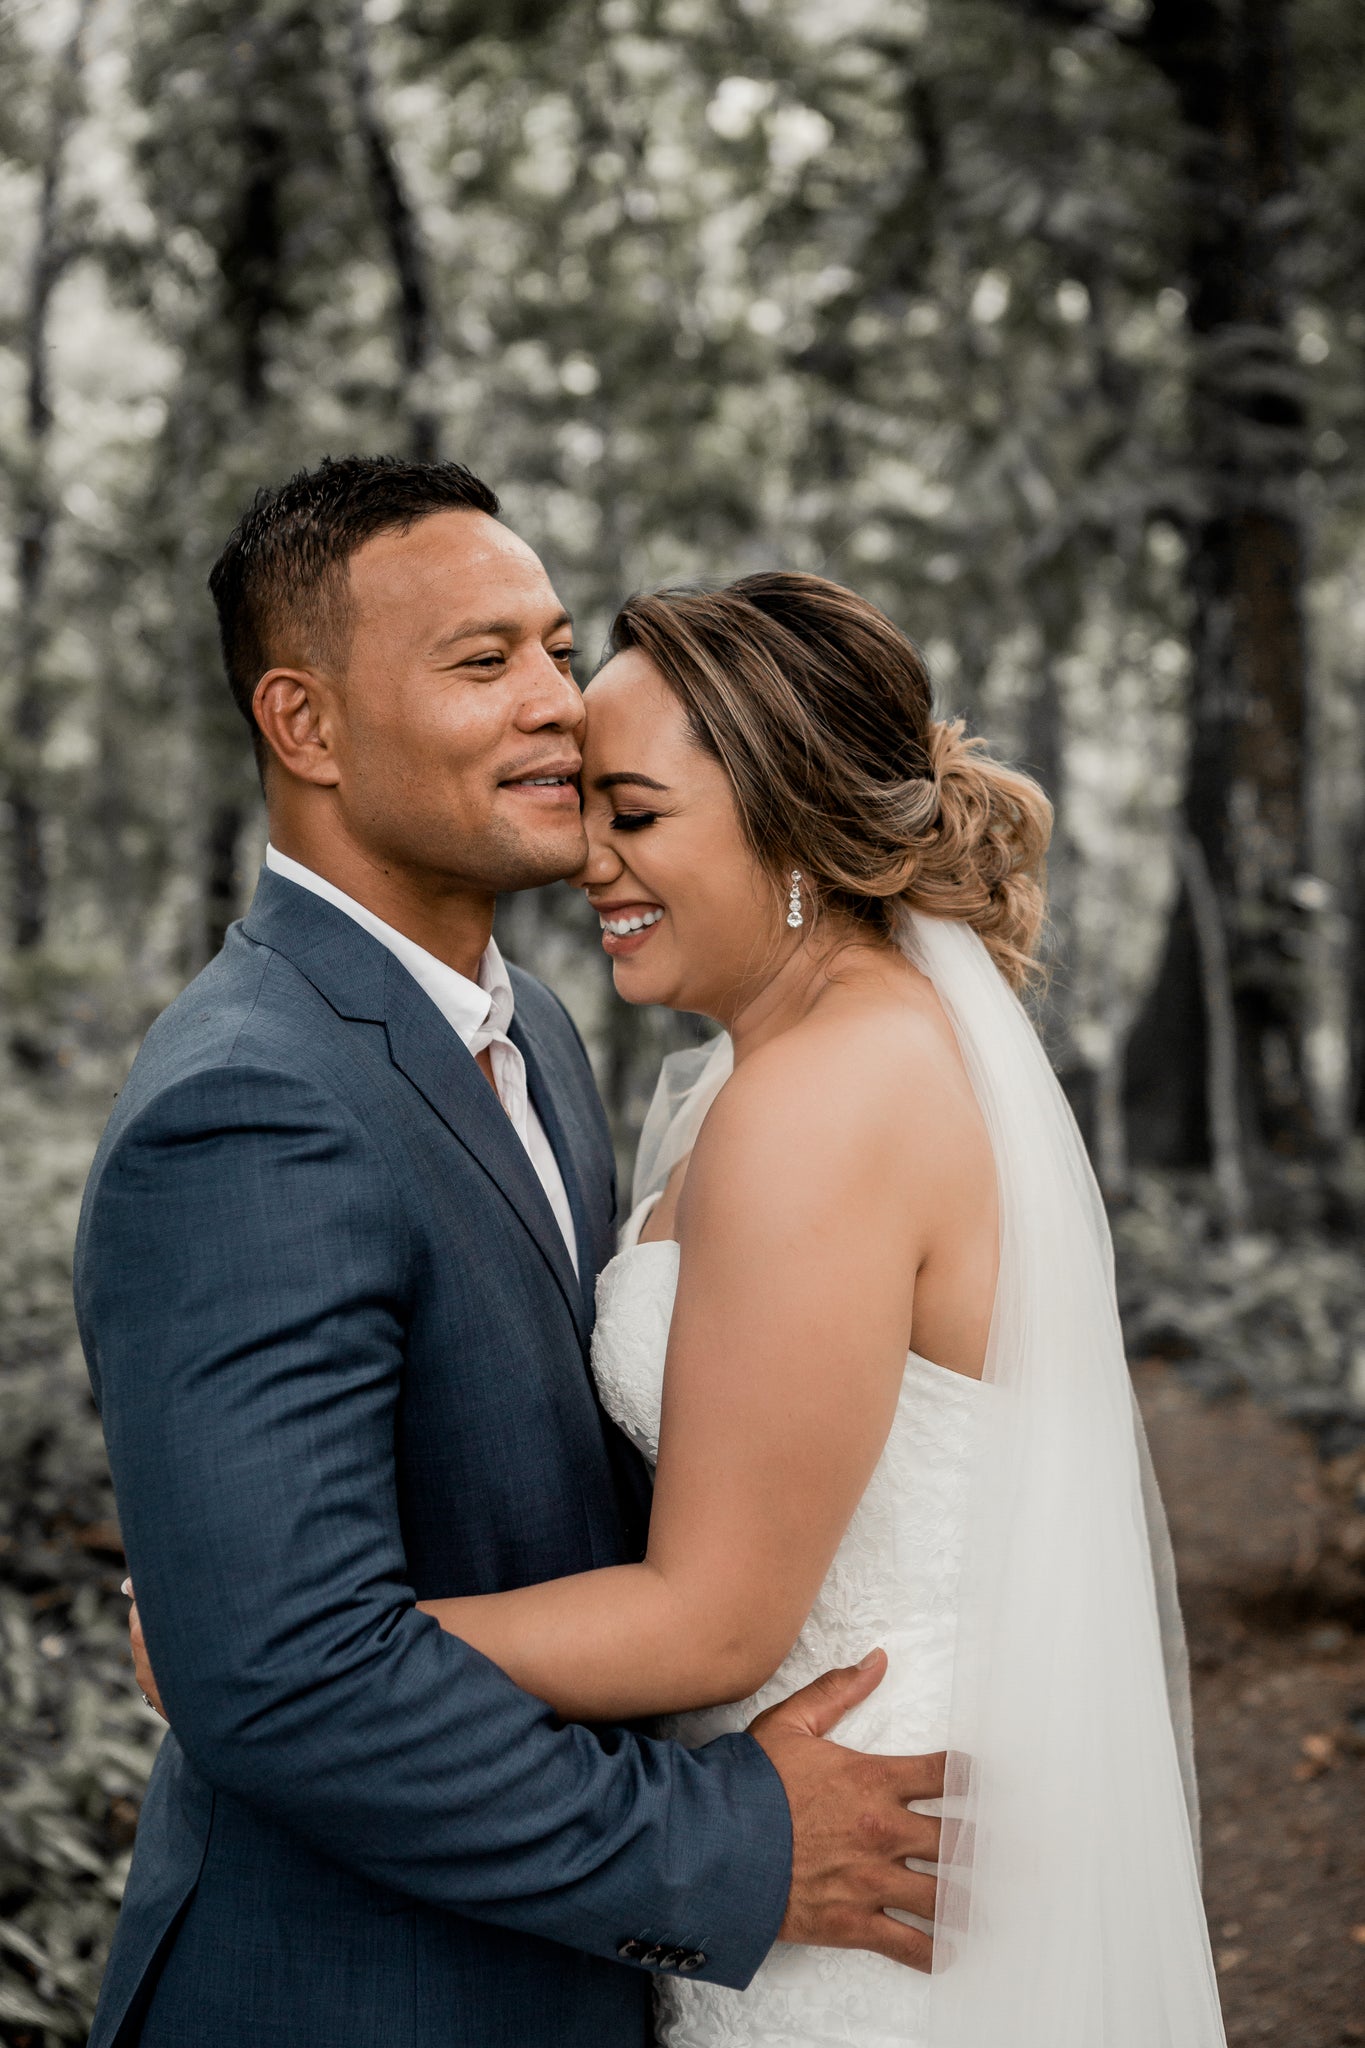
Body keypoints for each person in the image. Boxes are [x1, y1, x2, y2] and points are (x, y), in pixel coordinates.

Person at [78, 455, 947, 2048]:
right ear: (306, 727)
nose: (559, 702)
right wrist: (727, 1849)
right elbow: (284, 1685)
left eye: (553, 648)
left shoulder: (537, 1028)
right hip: (360, 1995)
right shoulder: (249, 1105)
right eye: (482, 663)